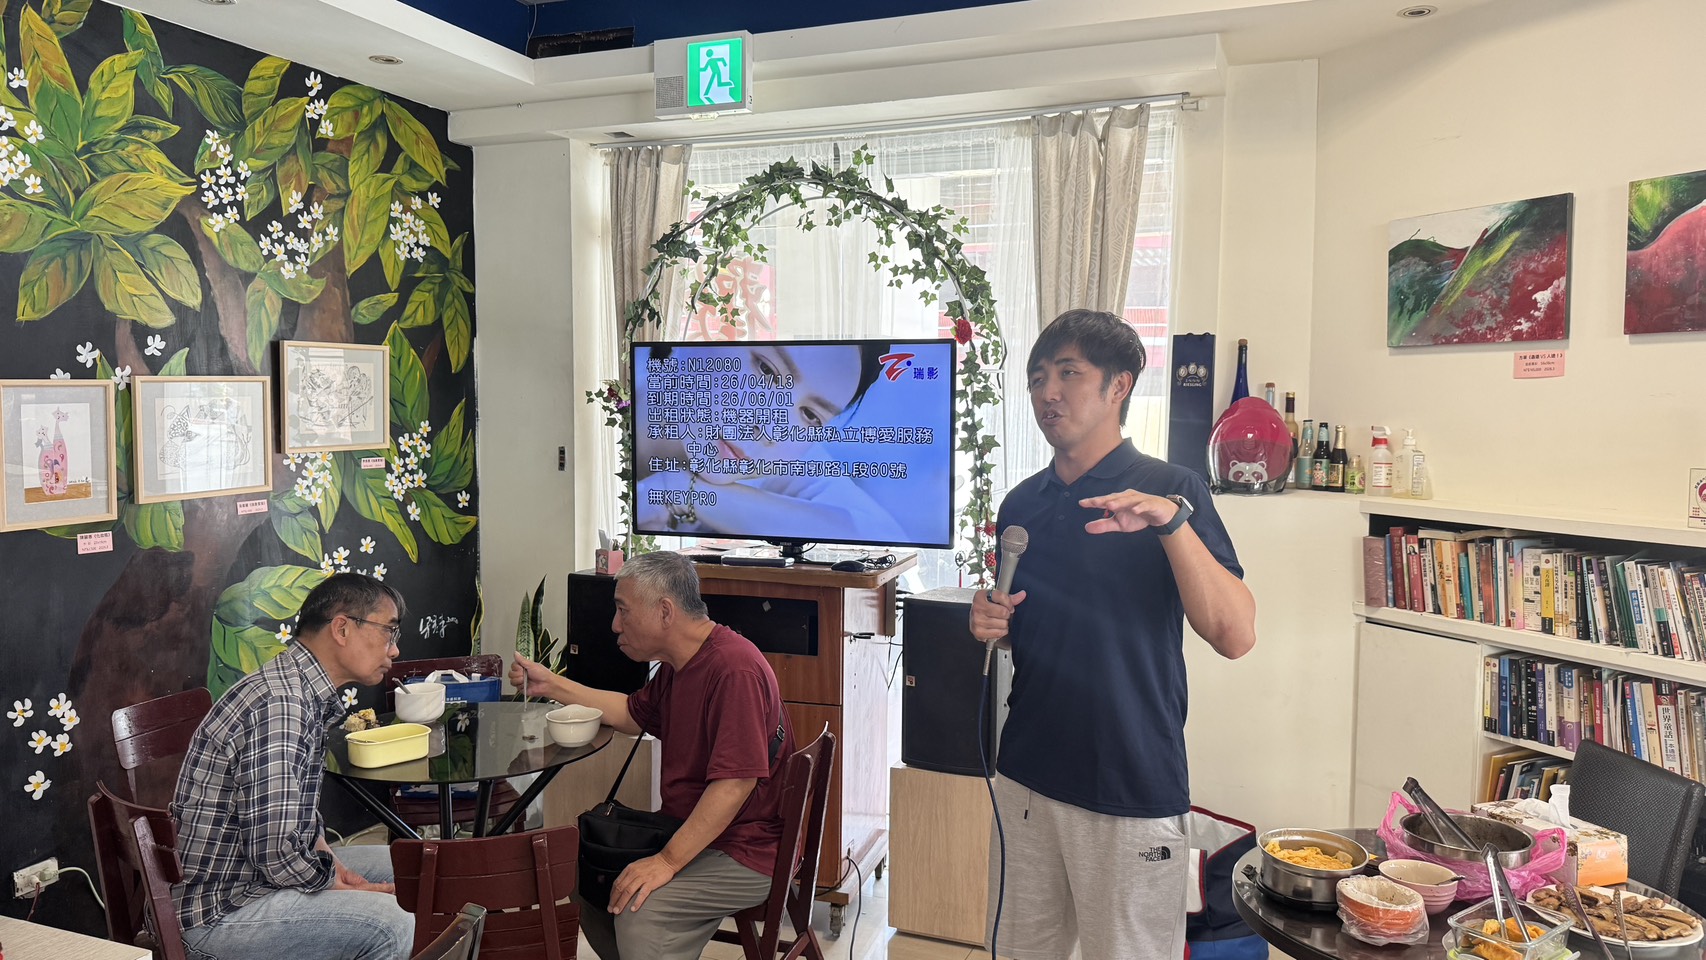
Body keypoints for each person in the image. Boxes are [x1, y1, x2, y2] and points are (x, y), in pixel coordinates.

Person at [969, 309, 1257, 960]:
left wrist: (1170, 524)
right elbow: (1031, 628)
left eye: (1068, 373)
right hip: (1025, 778)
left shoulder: (1171, 490)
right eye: (1037, 378)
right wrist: (992, 621)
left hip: (1131, 783)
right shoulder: (1022, 505)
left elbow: (1235, 634)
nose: (1048, 392)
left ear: (1118, 386)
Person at [509, 550, 794, 960]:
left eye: (623, 610)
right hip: (694, 831)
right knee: (582, 870)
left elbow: (735, 785)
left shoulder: (734, 670)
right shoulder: (681, 663)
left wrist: (667, 862)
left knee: (639, 909)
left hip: (745, 848)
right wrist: (550, 684)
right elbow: (630, 713)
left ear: (664, 611)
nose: (615, 624)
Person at [172, 573, 414, 960]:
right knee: (393, 925)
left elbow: (296, 817)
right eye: (388, 631)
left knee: (412, 867)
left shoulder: (296, 689)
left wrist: (332, 863)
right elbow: (275, 853)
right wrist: (334, 883)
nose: (395, 649)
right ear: (342, 628)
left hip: (258, 883)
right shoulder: (281, 704)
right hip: (222, 913)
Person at [632, 341, 910, 541]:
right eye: (766, 370)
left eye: (810, 415)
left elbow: (885, 535)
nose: (770, 429)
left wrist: (683, 491)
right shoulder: (617, 399)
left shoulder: (792, 456)